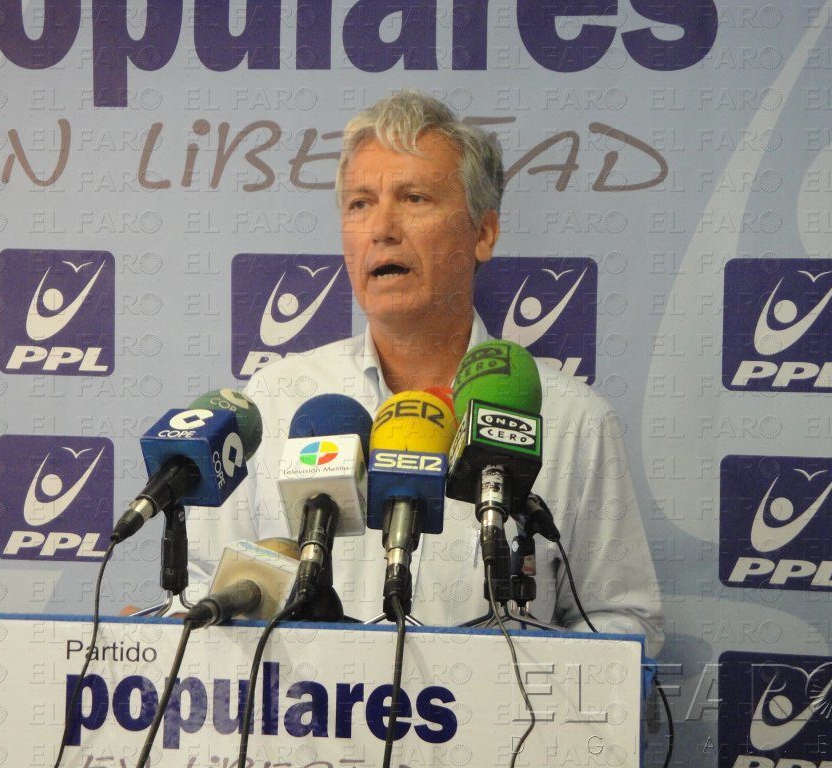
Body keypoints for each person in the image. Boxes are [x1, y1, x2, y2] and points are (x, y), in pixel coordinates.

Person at [190, 90, 663, 655]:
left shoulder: (571, 418)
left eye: (414, 198)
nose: (381, 228)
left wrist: (524, 681)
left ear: (483, 233)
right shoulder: (277, 399)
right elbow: (207, 591)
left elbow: (623, 618)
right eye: (360, 204)